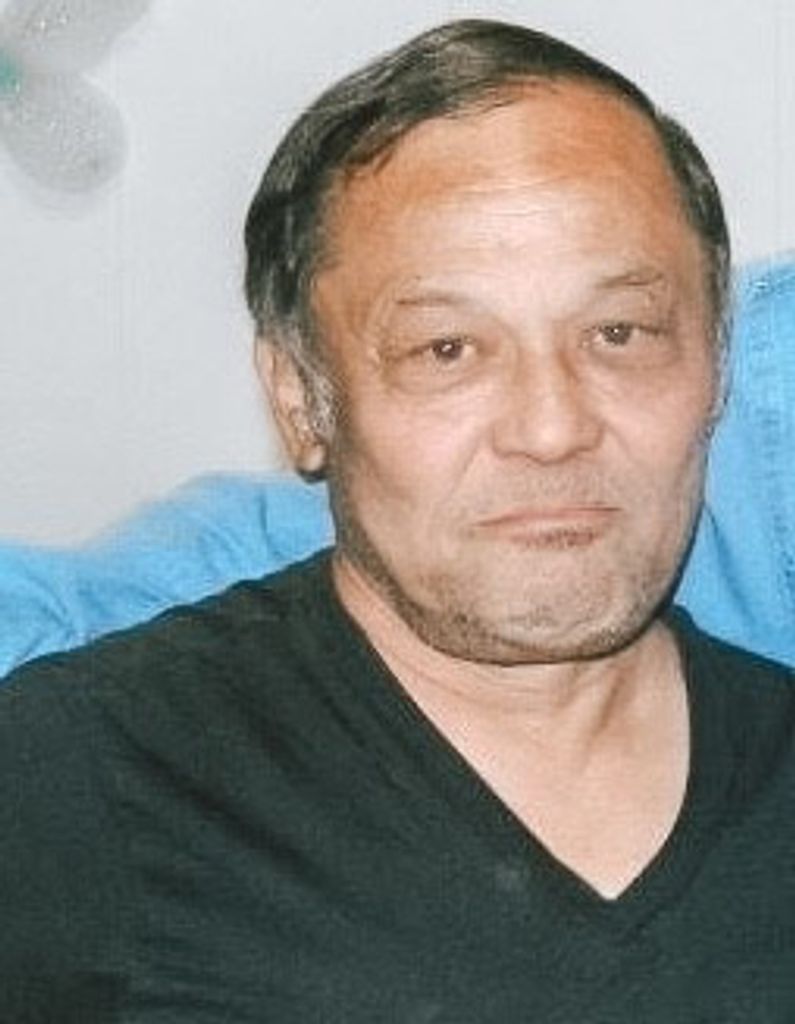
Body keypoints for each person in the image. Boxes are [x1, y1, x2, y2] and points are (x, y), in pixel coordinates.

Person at [1, 18, 793, 1021]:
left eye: (619, 333)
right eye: (446, 350)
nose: (552, 428)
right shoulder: (80, 778)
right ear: (302, 400)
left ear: (716, 364)